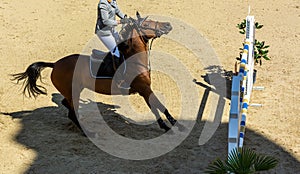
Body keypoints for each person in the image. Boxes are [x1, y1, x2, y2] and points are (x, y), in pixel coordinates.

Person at [95, 0, 130, 90]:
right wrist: (120, 22)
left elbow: (117, 11)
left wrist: (126, 18)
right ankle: (119, 78)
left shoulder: (113, 2)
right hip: (104, 33)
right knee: (116, 52)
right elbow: (105, 21)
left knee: (122, 46)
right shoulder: (103, 4)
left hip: (112, 30)